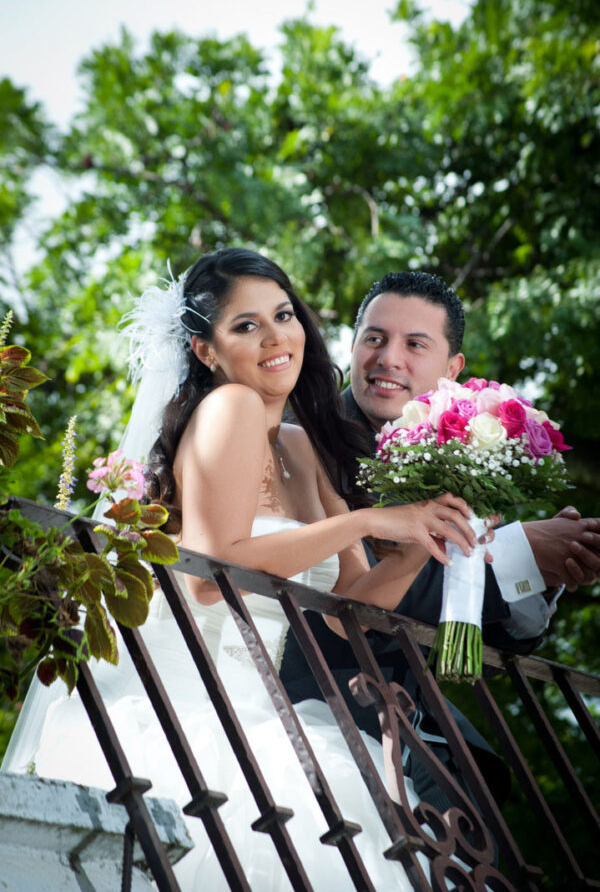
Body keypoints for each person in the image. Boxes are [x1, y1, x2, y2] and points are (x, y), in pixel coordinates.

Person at [3, 250, 487, 890]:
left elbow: (349, 614)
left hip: (263, 711)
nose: (276, 337)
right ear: (206, 350)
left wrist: (419, 542)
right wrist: (369, 524)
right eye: (245, 326)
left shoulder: (298, 443)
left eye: (283, 315)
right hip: (190, 711)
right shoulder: (226, 407)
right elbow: (212, 571)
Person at [279, 269, 600, 812]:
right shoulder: (305, 438)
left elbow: (492, 631)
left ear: (452, 369)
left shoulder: (456, 447)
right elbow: (352, 593)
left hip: (415, 722)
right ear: (352, 345)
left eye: (415, 344)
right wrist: (522, 552)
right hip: (322, 704)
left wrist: (544, 569)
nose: (388, 358)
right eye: (374, 338)